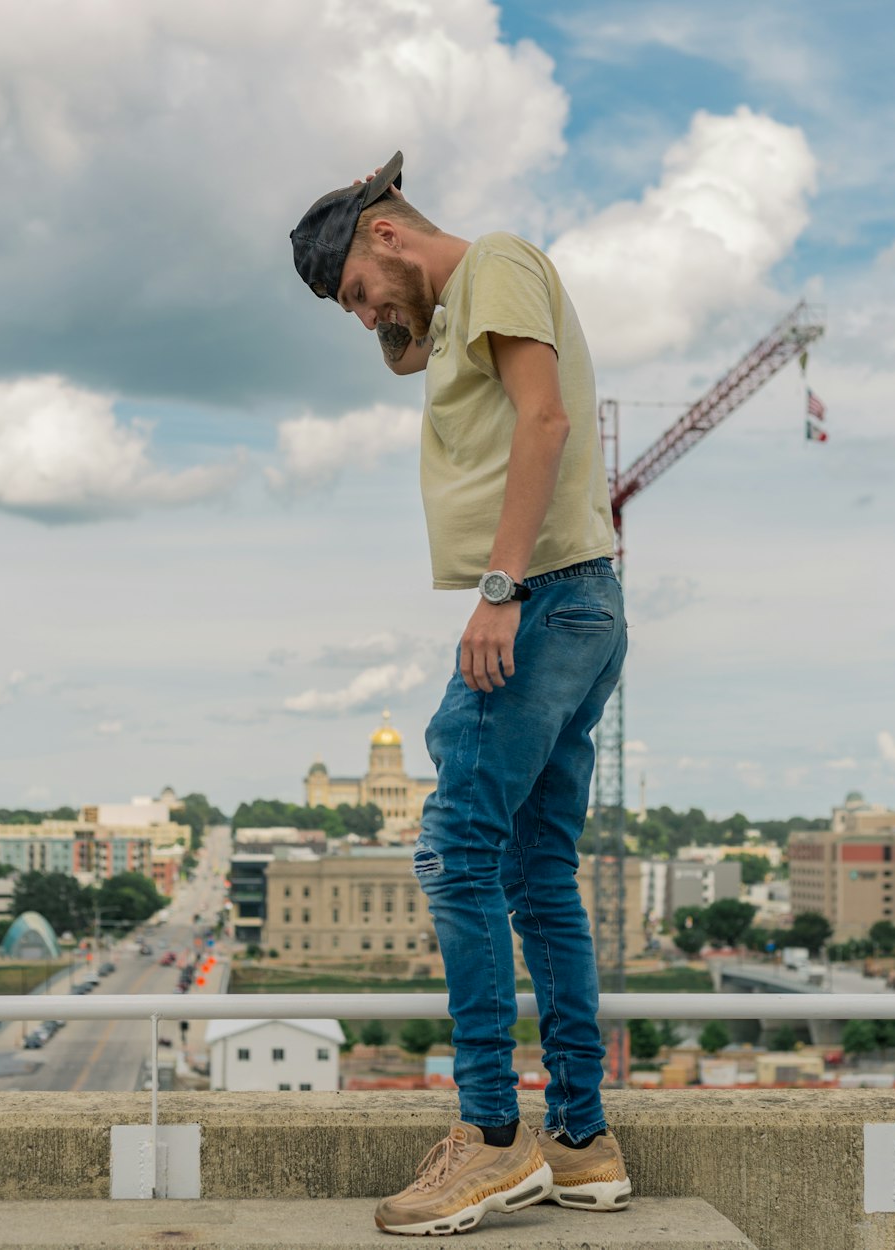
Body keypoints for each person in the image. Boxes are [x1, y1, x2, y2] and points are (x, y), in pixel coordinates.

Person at [290, 151, 630, 1236]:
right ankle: (580, 1140)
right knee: (537, 872)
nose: (361, 320)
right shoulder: (460, 297)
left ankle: (490, 1139)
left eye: (352, 291)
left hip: (534, 599)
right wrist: (388, 299)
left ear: (386, 234)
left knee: (453, 849)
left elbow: (545, 422)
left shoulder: (492, 263)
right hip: (576, 601)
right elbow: (406, 357)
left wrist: (496, 588)